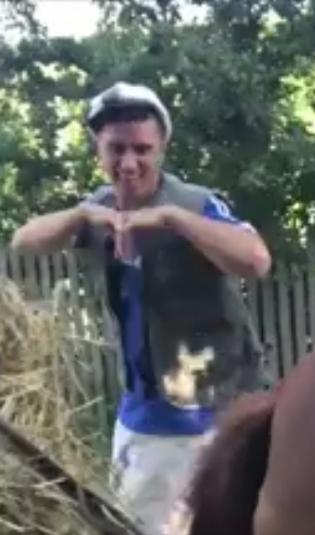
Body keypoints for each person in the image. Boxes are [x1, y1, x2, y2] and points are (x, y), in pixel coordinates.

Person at [10, 82, 272, 535]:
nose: (128, 163)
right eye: (116, 149)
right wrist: (81, 215)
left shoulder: (194, 203)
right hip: (140, 414)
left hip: (208, 415)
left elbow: (256, 261)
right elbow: (24, 241)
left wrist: (173, 220)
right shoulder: (100, 209)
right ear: (98, 148)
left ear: (162, 148)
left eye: (141, 149)